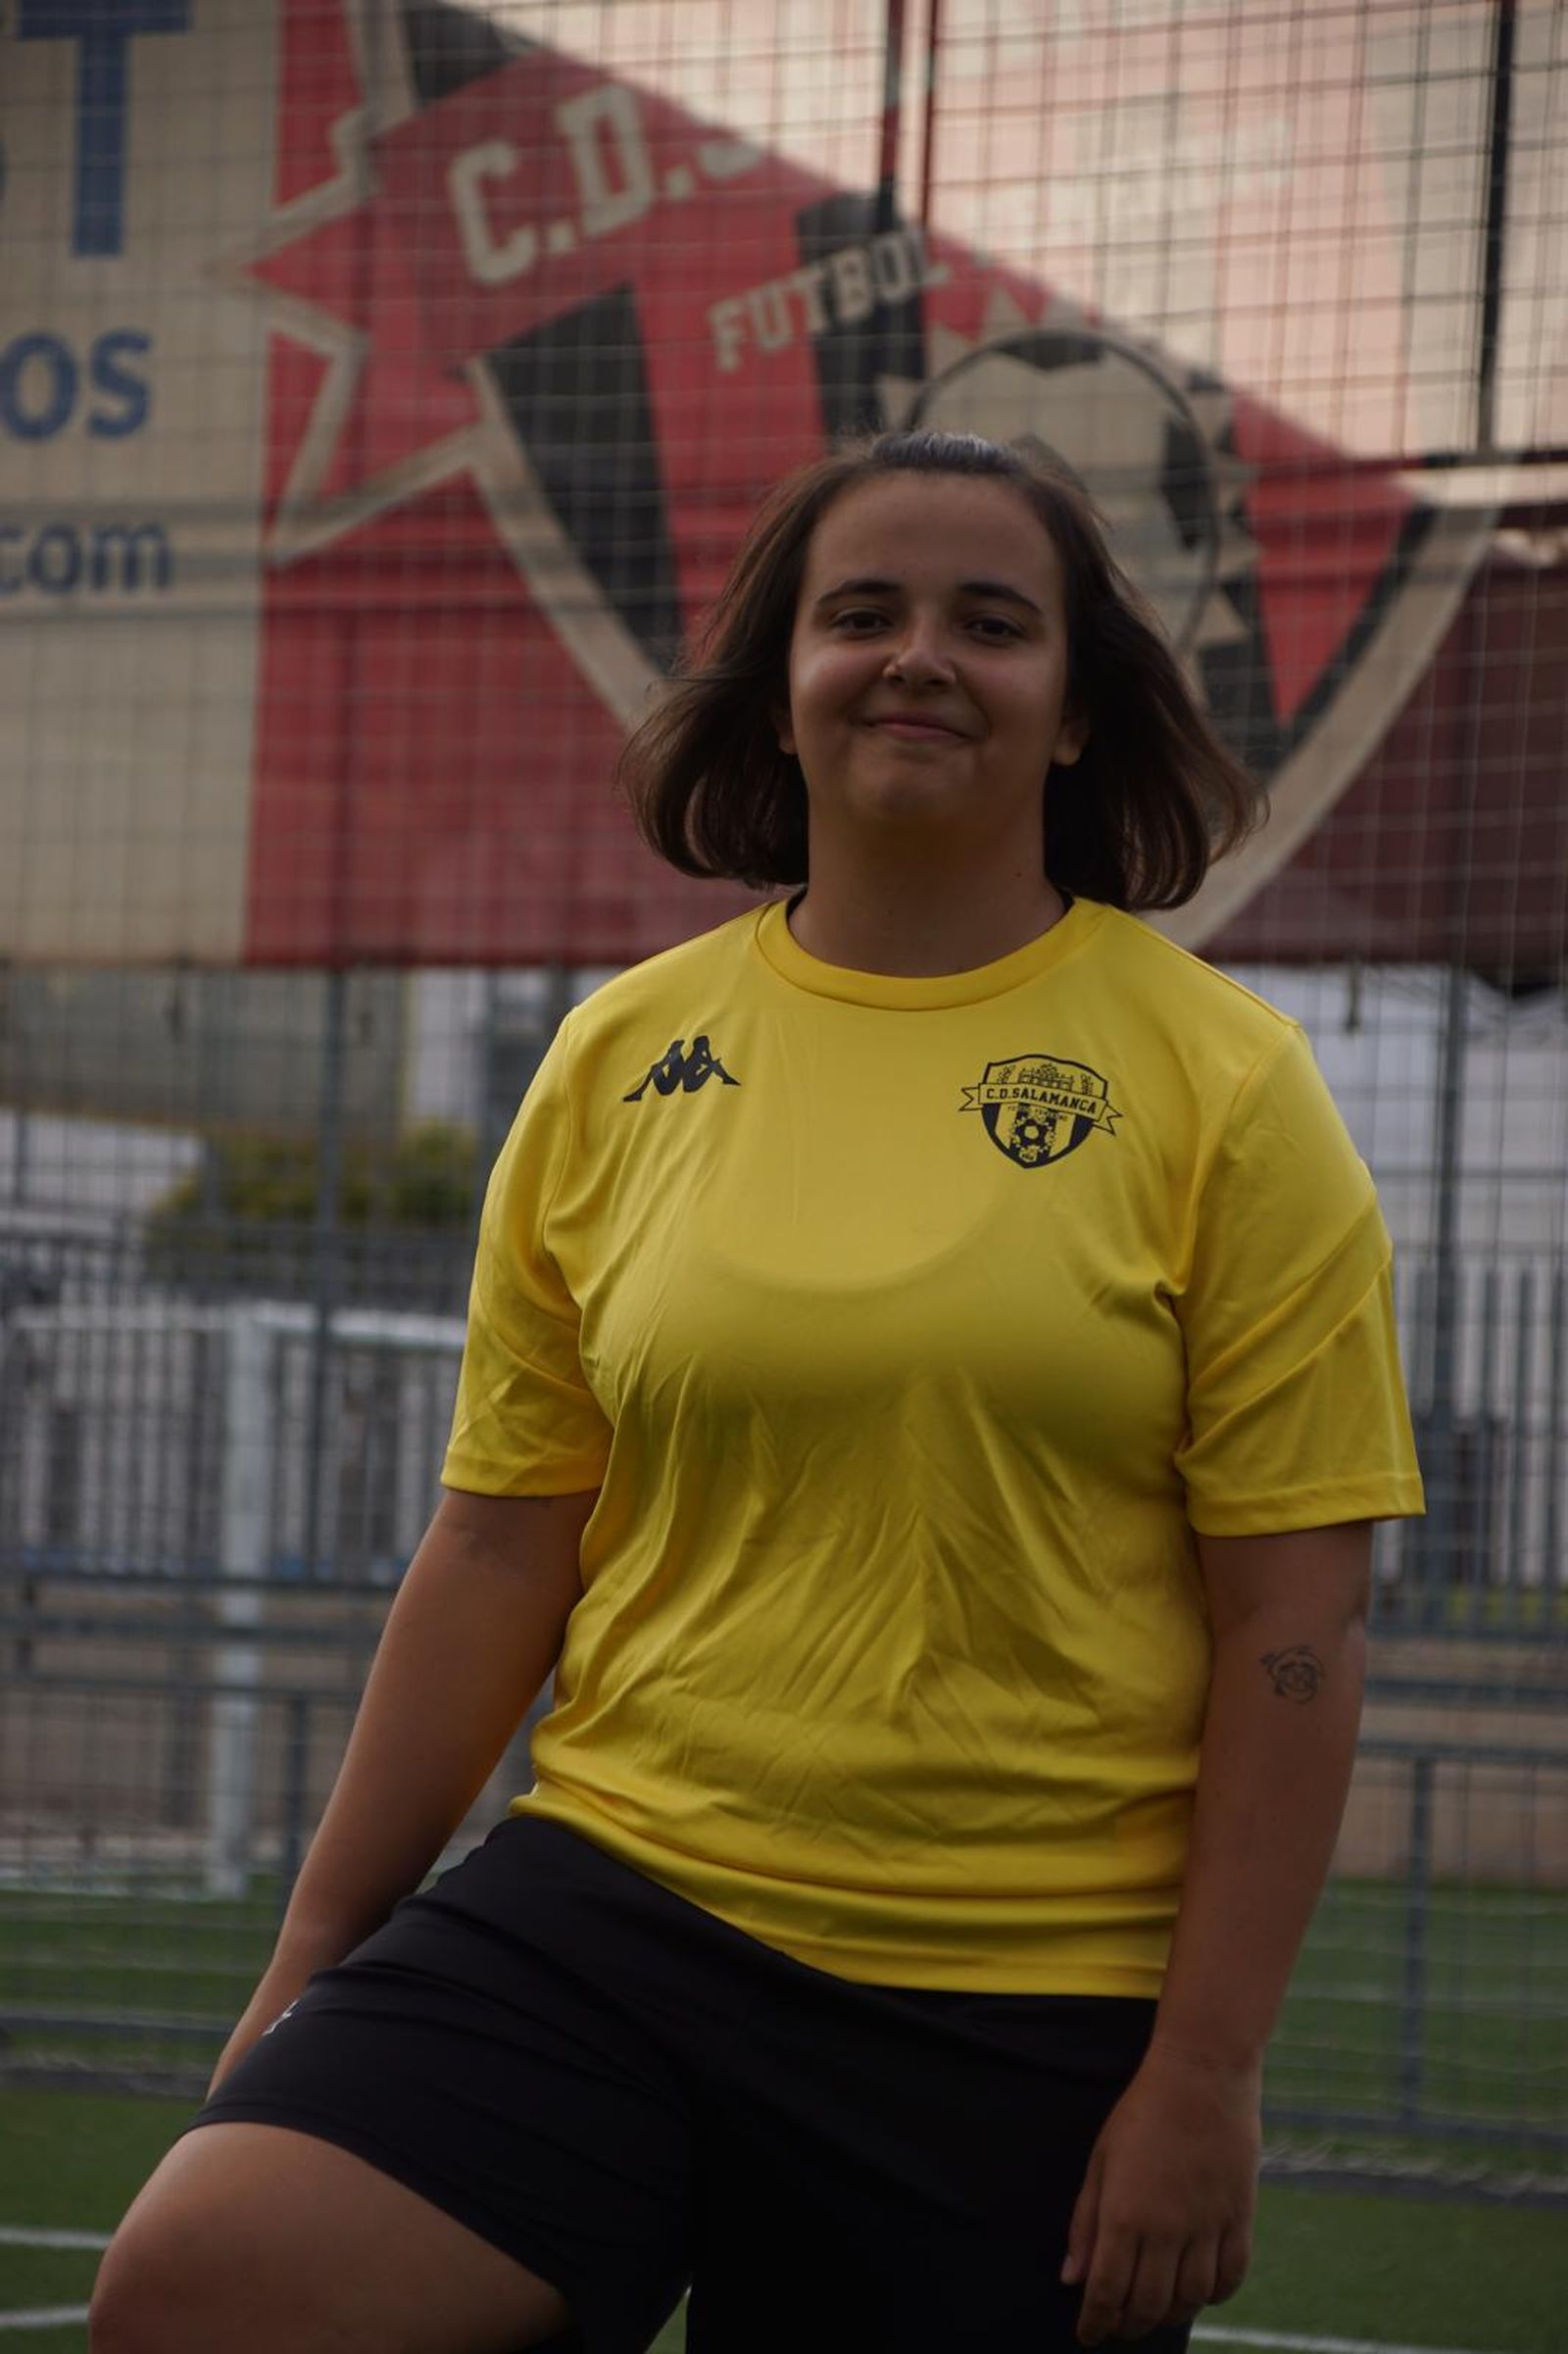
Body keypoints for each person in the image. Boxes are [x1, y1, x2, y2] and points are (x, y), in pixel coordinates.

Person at [91, 429, 1424, 2354]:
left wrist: (1200, 2072)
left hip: (1011, 1990)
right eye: (857, 613)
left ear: (1071, 715)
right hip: (615, 1910)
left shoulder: (1221, 1088)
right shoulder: (617, 1056)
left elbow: (1291, 1627)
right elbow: (490, 1550)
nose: (915, 658)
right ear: (779, 690)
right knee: (211, 2282)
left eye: (990, 621)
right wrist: (312, 1955)